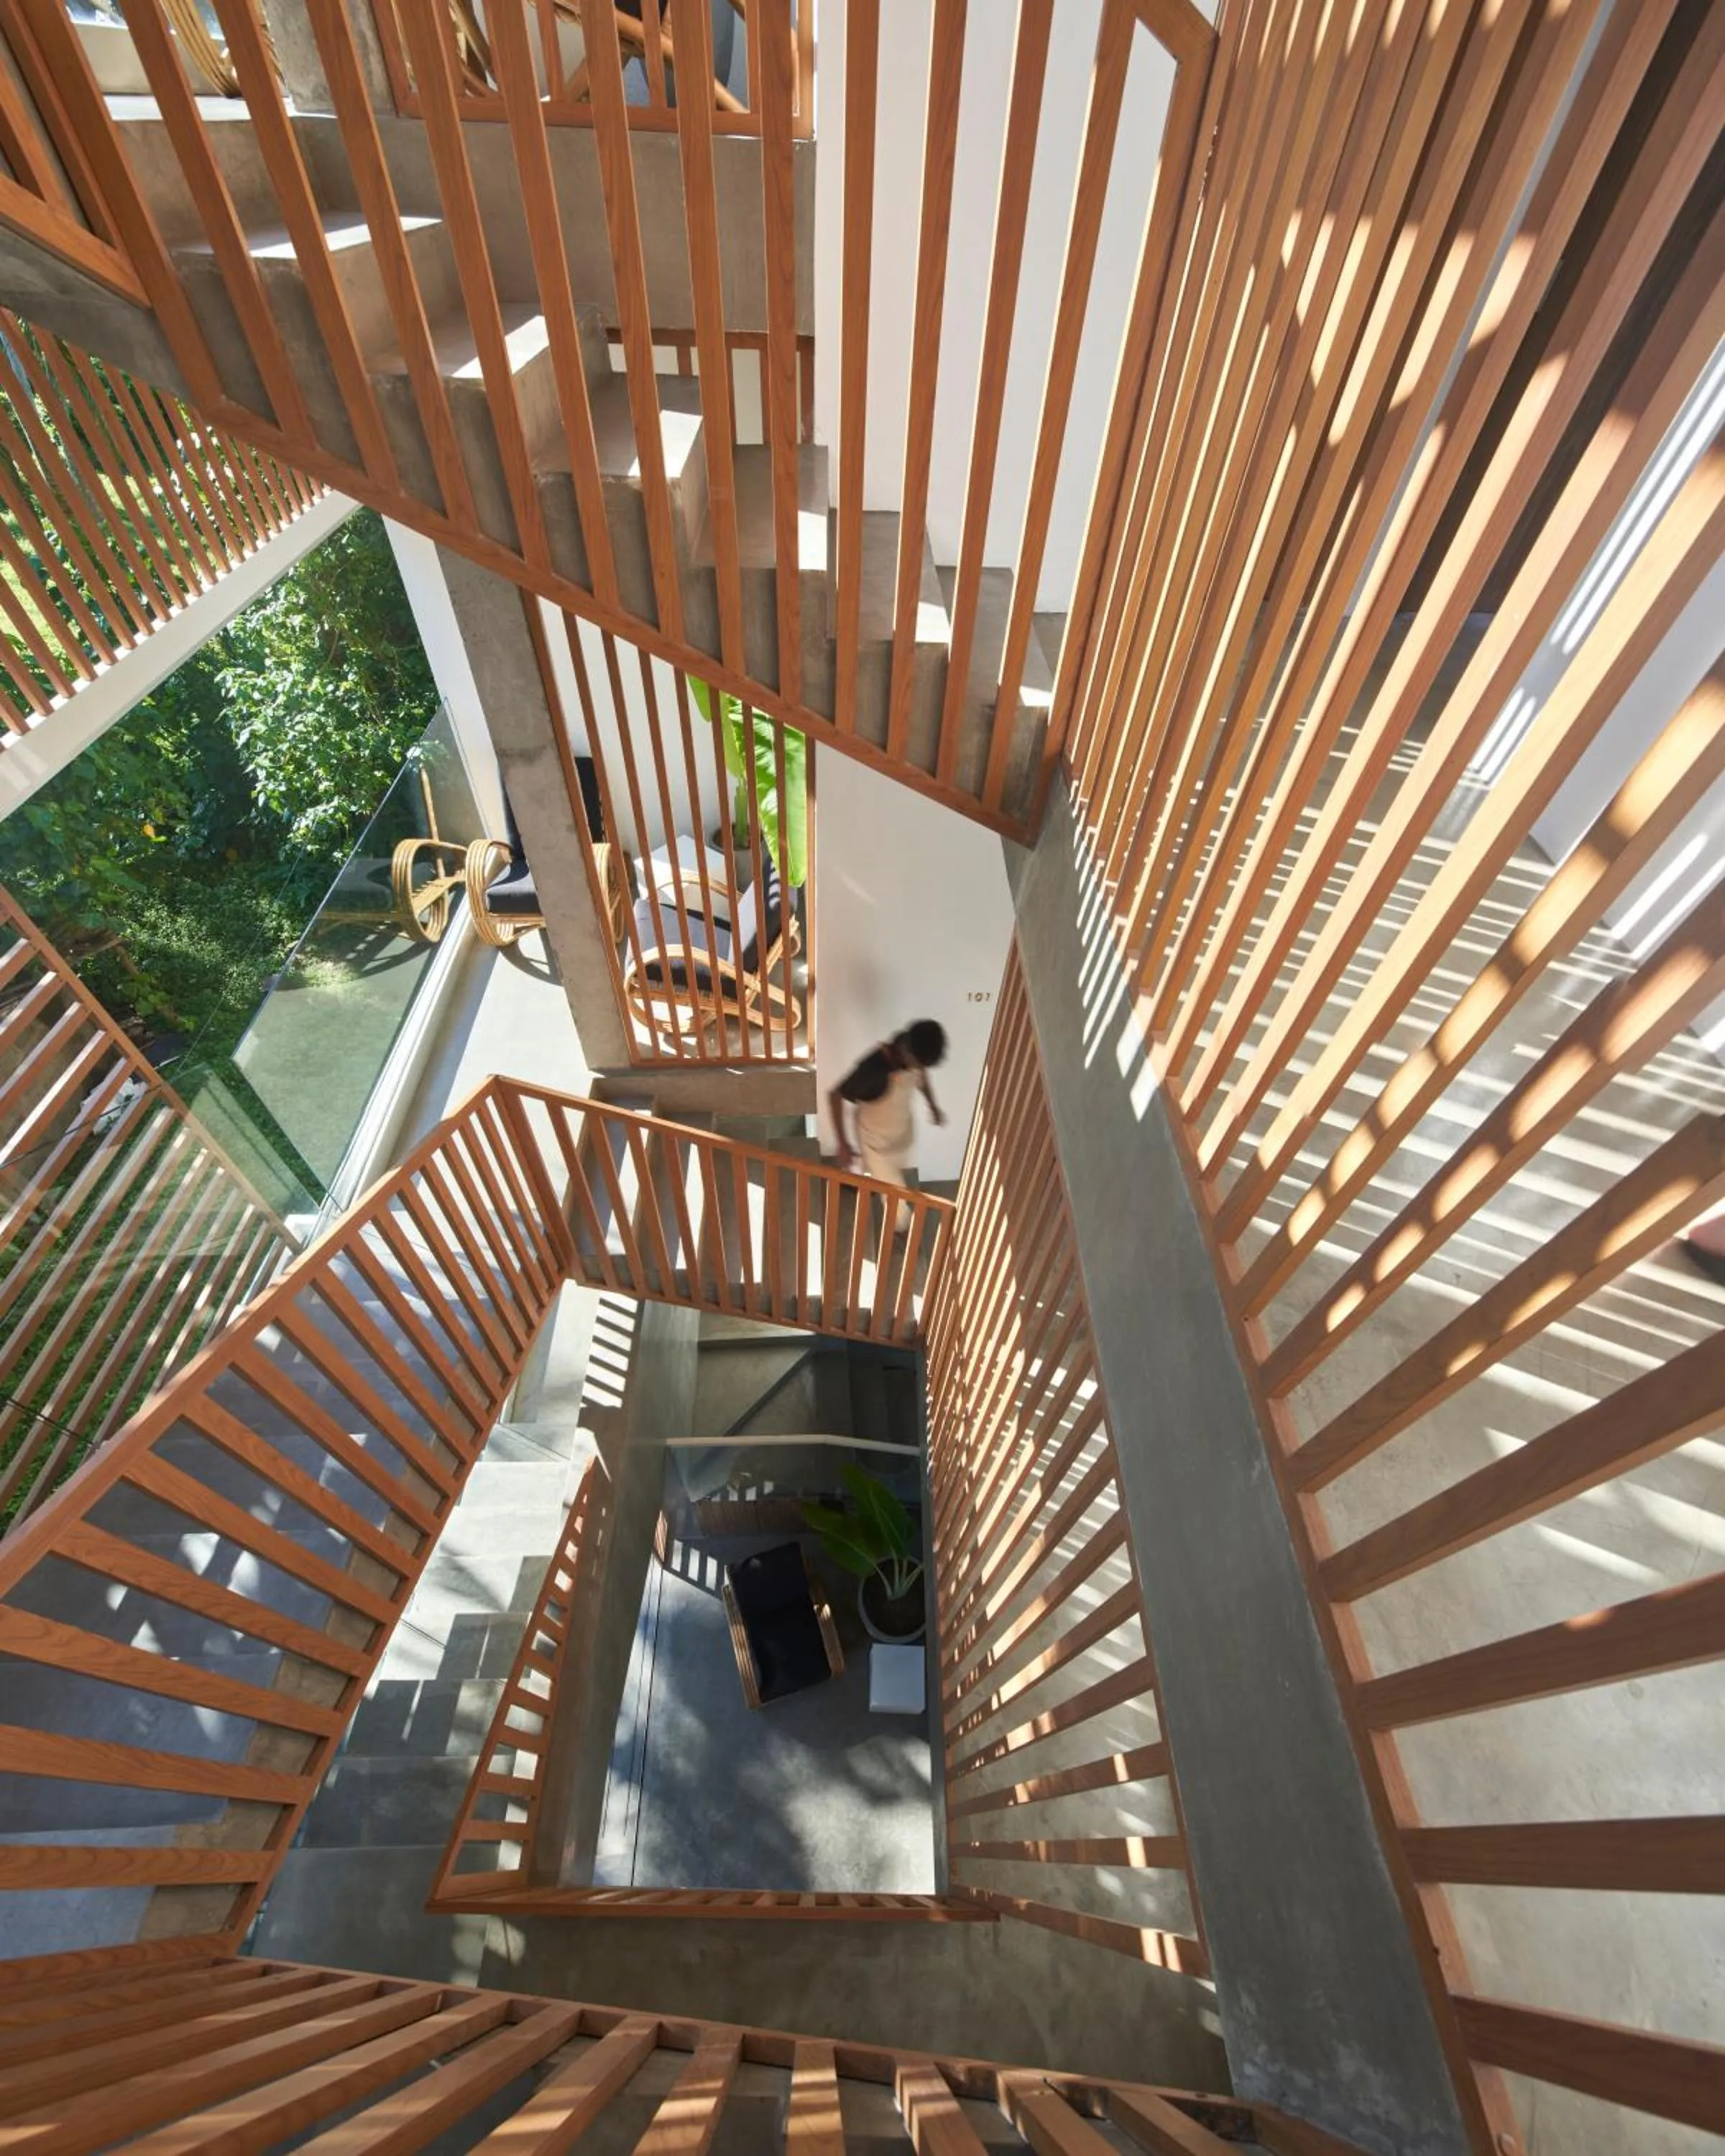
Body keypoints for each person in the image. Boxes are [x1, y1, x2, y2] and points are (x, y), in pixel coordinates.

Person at [828, 1022, 948, 1198]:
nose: (920, 1069)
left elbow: (922, 1077)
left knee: (877, 1171)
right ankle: (901, 1225)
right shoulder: (872, 1068)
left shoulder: (912, 1052)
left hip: (900, 1135)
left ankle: (867, 1183)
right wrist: (843, 1143)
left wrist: (932, 1105)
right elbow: (835, 1095)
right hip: (874, 1142)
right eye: (918, 1064)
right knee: (896, 1197)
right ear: (907, 1051)